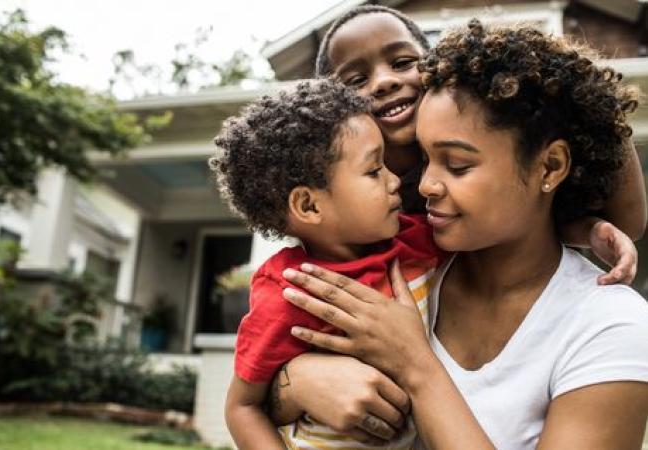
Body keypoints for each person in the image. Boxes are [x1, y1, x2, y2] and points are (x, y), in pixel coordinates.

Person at [275, 20, 648, 449]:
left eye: (456, 164)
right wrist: (294, 382)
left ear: (550, 167)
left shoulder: (606, 324)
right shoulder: (400, 269)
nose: (425, 185)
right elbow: (263, 381)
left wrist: (416, 366)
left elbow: (627, 213)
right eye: (425, 157)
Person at [212, 79, 444, 449]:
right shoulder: (290, 293)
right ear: (309, 206)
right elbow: (242, 407)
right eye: (373, 170)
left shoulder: (415, 242)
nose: (395, 179)